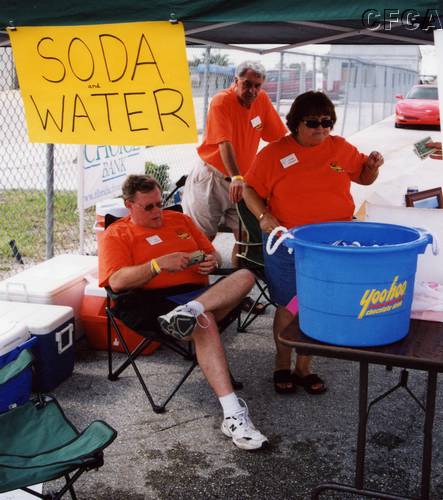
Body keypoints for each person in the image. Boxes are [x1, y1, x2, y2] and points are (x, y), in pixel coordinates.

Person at [98, 175, 267, 451]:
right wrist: (157, 265)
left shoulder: (182, 221)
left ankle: (189, 311)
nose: (157, 212)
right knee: (204, 320)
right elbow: (116, 282)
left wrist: (211, 262)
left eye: (159, 203)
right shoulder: (117, 234)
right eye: (148, 207)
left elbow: (213, 255)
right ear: (129, 205)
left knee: (247, 275)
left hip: (197, 294)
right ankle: (233, 415)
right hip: (148, 300)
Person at [243, 91, 384, 395]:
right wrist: (263, 215)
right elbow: (248, 190)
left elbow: (363, 177)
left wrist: (371, 167)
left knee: (318, 304)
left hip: (333, 244)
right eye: (313, 122)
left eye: (327, 122)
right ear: (295, 123)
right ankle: (282, 364)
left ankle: (304, 367)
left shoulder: (340, 148)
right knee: (289, 304)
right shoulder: (273, 154)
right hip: (288, 242)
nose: (321, 129)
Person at [182, 60, 287, 259]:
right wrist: (236, 176)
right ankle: (195, 282)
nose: (252, 91)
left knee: (246, 240)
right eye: (247, 84)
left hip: (242, 183)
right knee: (203, 238)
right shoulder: (222, 101)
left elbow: (278, 138)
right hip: (212, 178)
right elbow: (224, 143)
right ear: (235, 81)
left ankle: (239, 281)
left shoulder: (262, 100)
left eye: (257, 86)